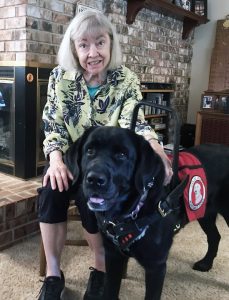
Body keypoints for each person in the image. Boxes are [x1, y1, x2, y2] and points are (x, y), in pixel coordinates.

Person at [37, 9, 173, 300]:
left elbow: (134, 121)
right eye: (83, 44)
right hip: (75, 161)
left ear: (111, 44)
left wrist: (155, 145)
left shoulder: (126, 80)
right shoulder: (60, 78)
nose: (92, 52)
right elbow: (53, 124)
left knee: (95, 196)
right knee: (50, 189)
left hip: (110, 169)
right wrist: (57, 160)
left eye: (100, 42)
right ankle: (52, 274)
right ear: (74, 48)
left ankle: (100, 268)